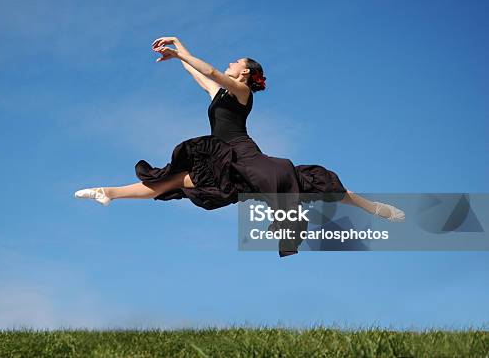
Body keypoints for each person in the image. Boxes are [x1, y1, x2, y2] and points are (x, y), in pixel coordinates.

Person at [75, 37, 405, 256]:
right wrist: (178, 52)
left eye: (235, 62)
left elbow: (212, 71)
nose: (229, 63)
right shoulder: (220, 92)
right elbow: (200, 75)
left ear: (244, 72)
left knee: (313, 181)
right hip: (222, 158)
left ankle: (373, 207)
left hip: (245, 155)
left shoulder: (240, 92)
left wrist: (181, 52)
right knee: (173, 180)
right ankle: (109, 192)